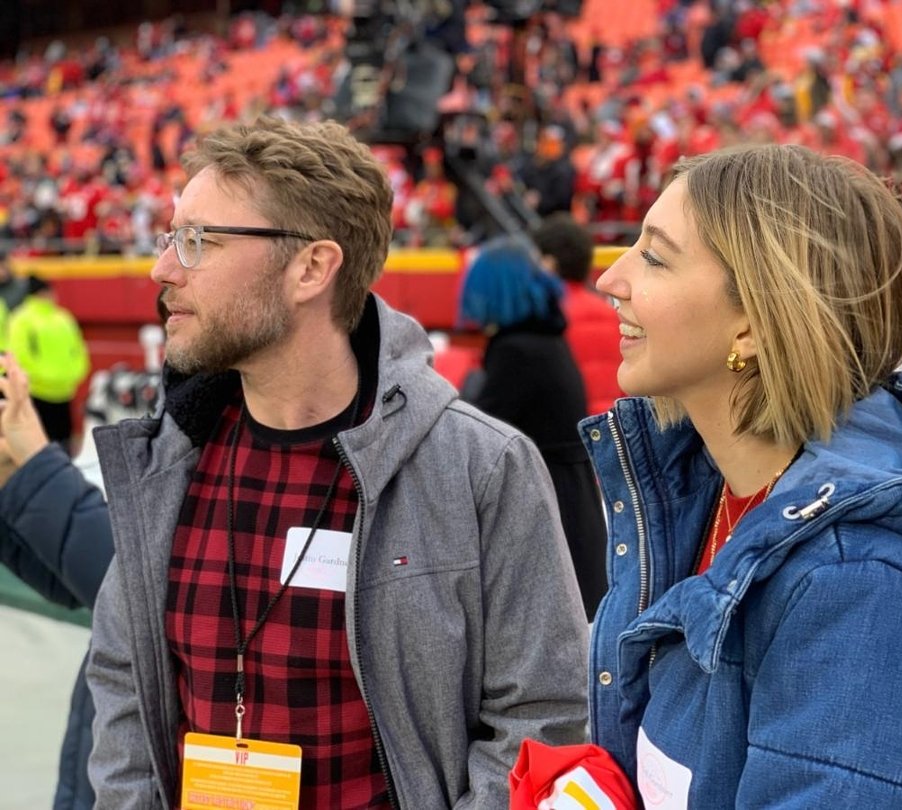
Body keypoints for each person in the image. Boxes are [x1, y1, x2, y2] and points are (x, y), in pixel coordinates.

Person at [85, 116, 589, 809]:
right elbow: (122, 687)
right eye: (172, 237)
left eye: (197, 240)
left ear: (312, 268)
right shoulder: (168, 461)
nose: (162, 267)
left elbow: (542, 720)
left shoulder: (482, 468)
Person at [583, 145, 902, 805]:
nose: (611, 279)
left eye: (654, 257)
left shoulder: (864, 595)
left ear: (754, 326)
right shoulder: (704, 501)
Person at [458, 236, 608, 620]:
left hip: (549, 507)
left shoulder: (517, 352)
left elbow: (476, 433)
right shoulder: (544, 341)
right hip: (571, 500)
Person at [0, 352, 113, 810]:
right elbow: (76, 583)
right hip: (101, 761)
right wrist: (13, 472)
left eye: (194, 271)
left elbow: (135, 585)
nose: (162, 274)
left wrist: (32, 464)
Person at [532, 213, 622, 416]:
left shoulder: (547, 316)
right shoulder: (611, 313)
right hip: (614, 427)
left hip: (568, 429)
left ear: (549, 263)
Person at [7, 275, 90, 454]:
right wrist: (52, 377)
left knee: (63, 443)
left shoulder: (62, 317)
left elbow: (78, 349)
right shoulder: (22, 319)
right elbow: (20, 355)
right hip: (37, 392)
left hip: (63, 391)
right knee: (43, 445)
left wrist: (73, 374)